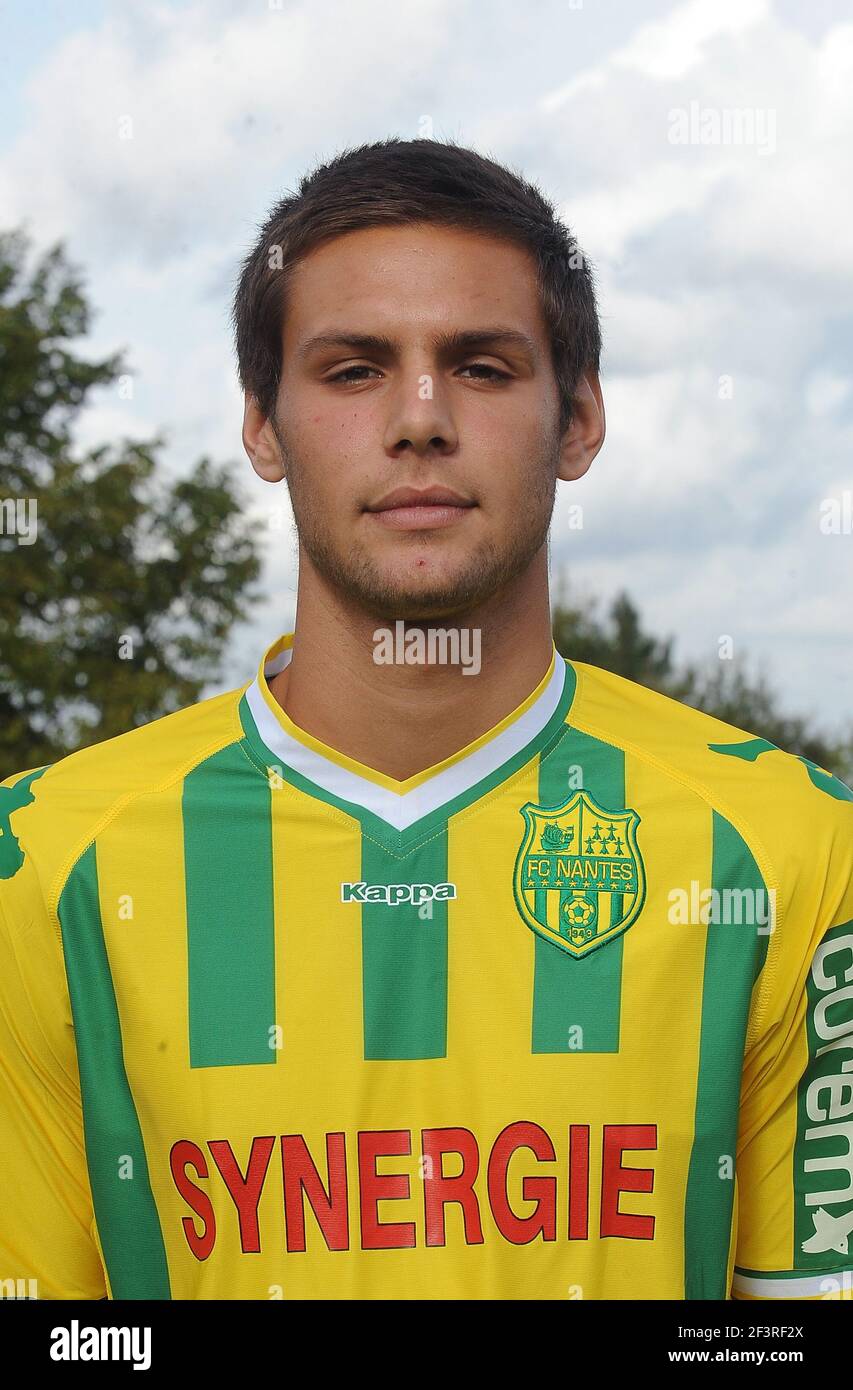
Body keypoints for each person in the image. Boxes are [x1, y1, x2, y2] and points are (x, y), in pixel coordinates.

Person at [1, 138, 851, 1302]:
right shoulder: (42, 867)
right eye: (352, 370)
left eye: (483, 366)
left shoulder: (795, 845)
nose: (418, 419)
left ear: (579, 419)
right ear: (261, 424)